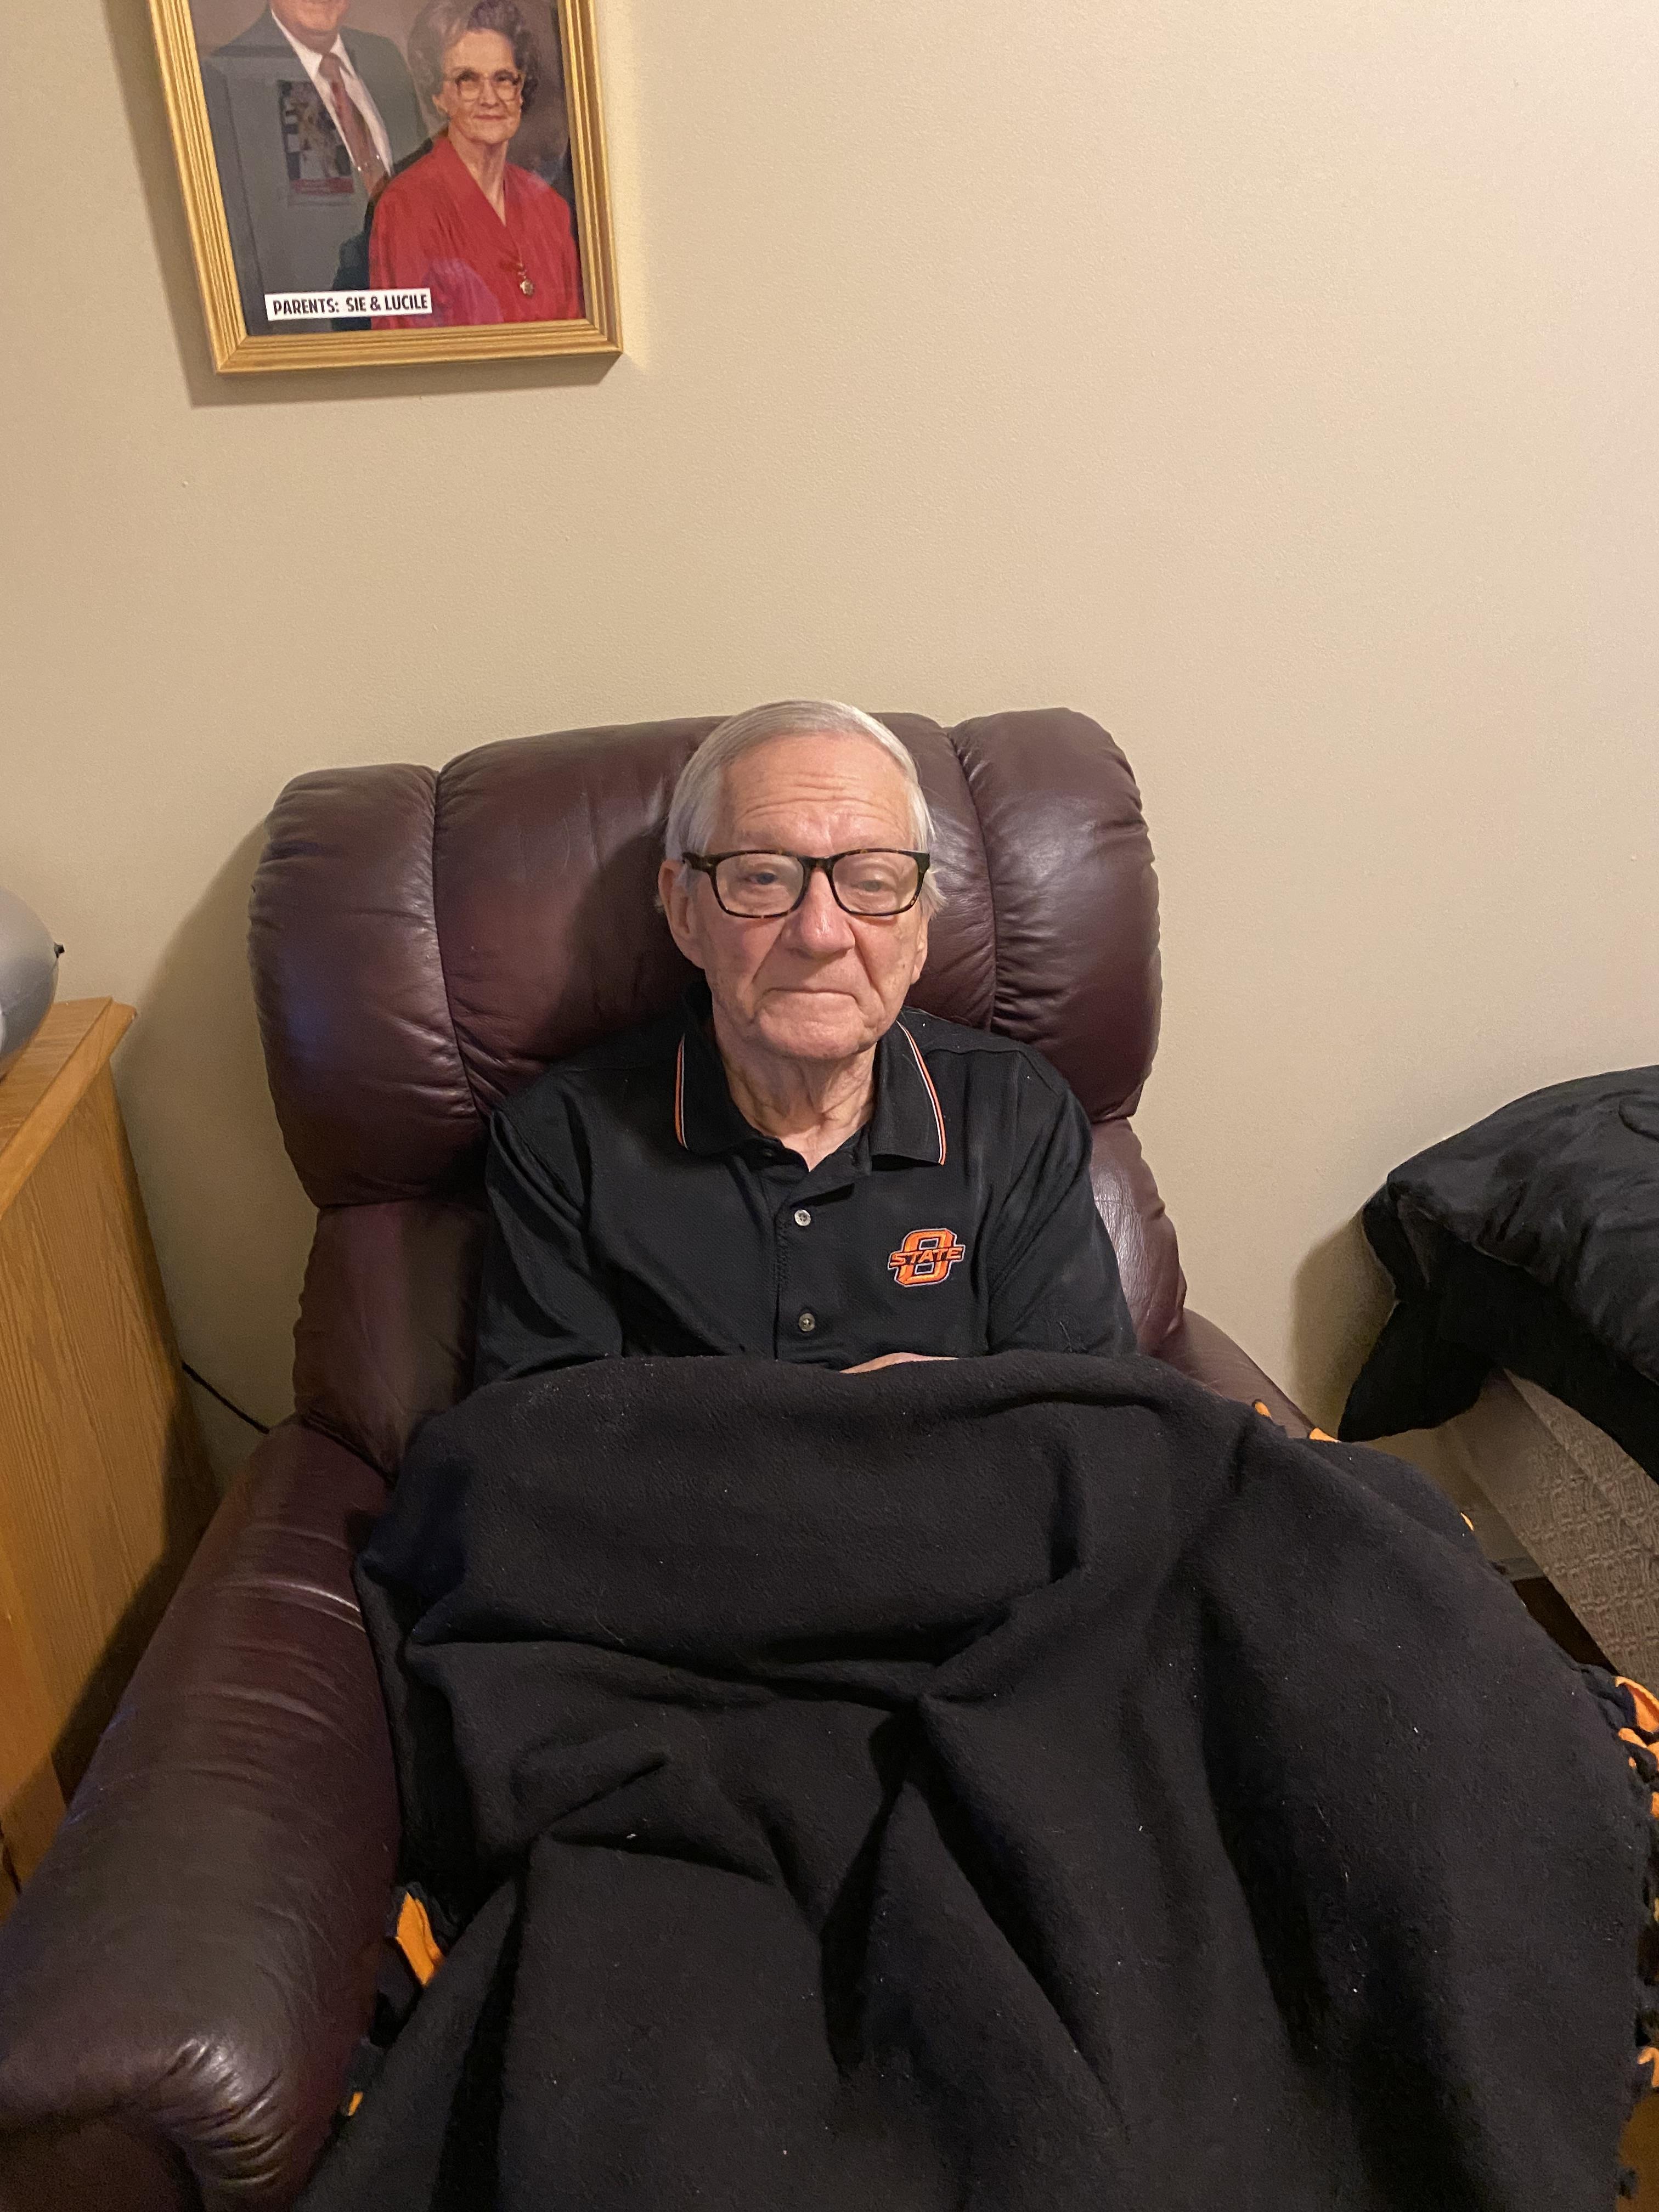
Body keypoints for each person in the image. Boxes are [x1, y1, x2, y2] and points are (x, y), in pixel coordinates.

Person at [474, 701, 1139, 1382]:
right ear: (683, 911)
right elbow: (537, 1449)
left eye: (874, 882)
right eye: (763, 877)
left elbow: (1086, 1421)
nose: (820, 934)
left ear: (920, 934)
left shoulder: (1014, 1111)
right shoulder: (561, 1143)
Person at [201, 0, 428, 334]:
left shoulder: (383, 57)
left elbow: (426, 194)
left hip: (415, 319)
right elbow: (245, 251)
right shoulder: (230, 76)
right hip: (314, 337)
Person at [368, 0, 583, 328]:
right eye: (467, 79)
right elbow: (411, 357)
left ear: (521, 91)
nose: (490, 97)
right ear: (438, 96)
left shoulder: (550, 209)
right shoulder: (407, 207)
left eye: (504, 78)